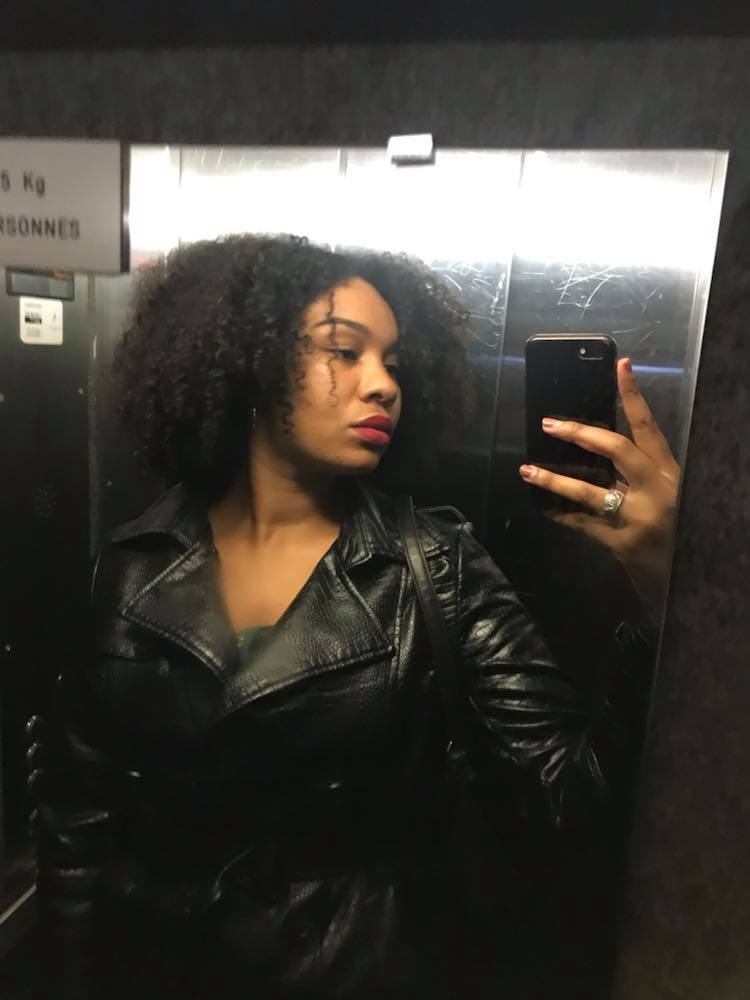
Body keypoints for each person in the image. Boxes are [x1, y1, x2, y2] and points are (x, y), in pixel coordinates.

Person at [28, 233, 679, 1000]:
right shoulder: (128, 563)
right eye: (345, 351)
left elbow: (578, 793)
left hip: (359, 966)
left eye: (394, 363)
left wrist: (663, 590)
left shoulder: (434, 566)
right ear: (247, 362)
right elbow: (76, 818)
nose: (383, 385)